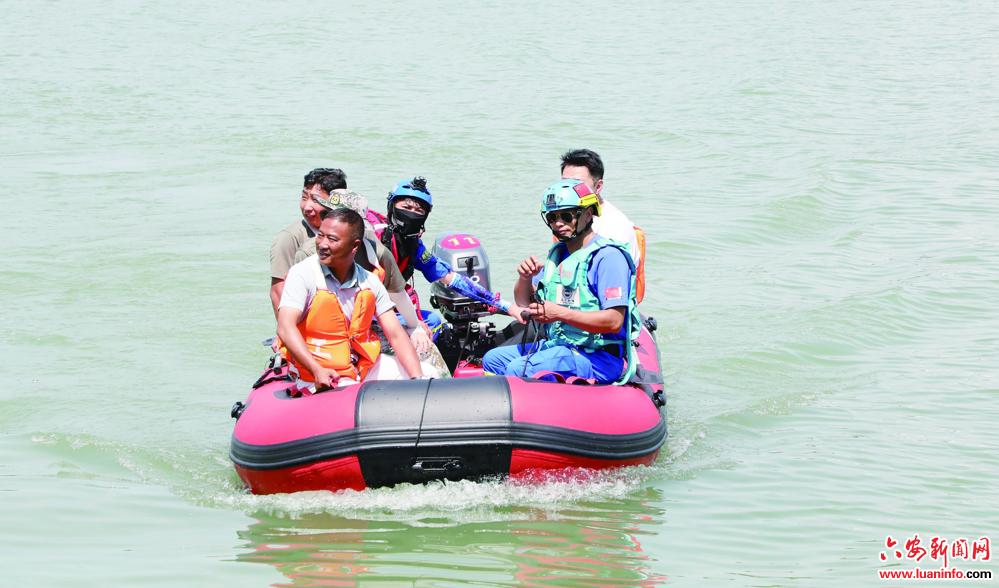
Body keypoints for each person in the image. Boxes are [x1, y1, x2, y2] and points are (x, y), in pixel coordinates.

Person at [481, 179, 640, 384]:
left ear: (589, 214)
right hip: (560, 347)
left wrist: (560, 313)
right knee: (493, 360)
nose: (558, 223)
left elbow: (614, 320)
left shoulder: (608, 258)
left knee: (517, 369)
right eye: (552, 217)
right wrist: (525, 278)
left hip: (596, 357)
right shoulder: (558, 257)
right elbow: (523, 303)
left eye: (566, 216)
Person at [277, 207, 425, 389]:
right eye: (320, 235)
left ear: (355, 246)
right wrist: (317, 370)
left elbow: (395, 335)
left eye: (332, 239)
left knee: (426, 375)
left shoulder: (370, 281)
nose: (322, 244)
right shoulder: (302, 274)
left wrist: (418, 381)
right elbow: (285, 327)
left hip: (358, 369)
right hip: (315, 373)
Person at [372, 176, 524, 332]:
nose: (412, 214)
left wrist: (507, 306)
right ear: (392, 206)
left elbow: (452, 279)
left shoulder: (414, 246)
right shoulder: (374, 237)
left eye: (419, 210)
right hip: (367, 309)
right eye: (406, 207)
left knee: (433, 321)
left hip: (392, 306)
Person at [295, 188, 434, 355]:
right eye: (328, 215)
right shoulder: (307, 254)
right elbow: (295, 308)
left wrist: (415, 327)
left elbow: (397, 294)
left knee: (424, 348)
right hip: (319, 333)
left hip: (363, 328)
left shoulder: (377, 253)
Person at [560, 149, 647, 303]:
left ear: (598, 186)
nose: (568, 190)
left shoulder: (614, 228)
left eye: (577, 184)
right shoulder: (563, 218)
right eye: (565, 183)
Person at [270, 168, 347, 316]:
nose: (307, 207)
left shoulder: (351, 232)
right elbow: (277, 291)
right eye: (304, 198)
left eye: (315, 200)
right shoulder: (289, 238)